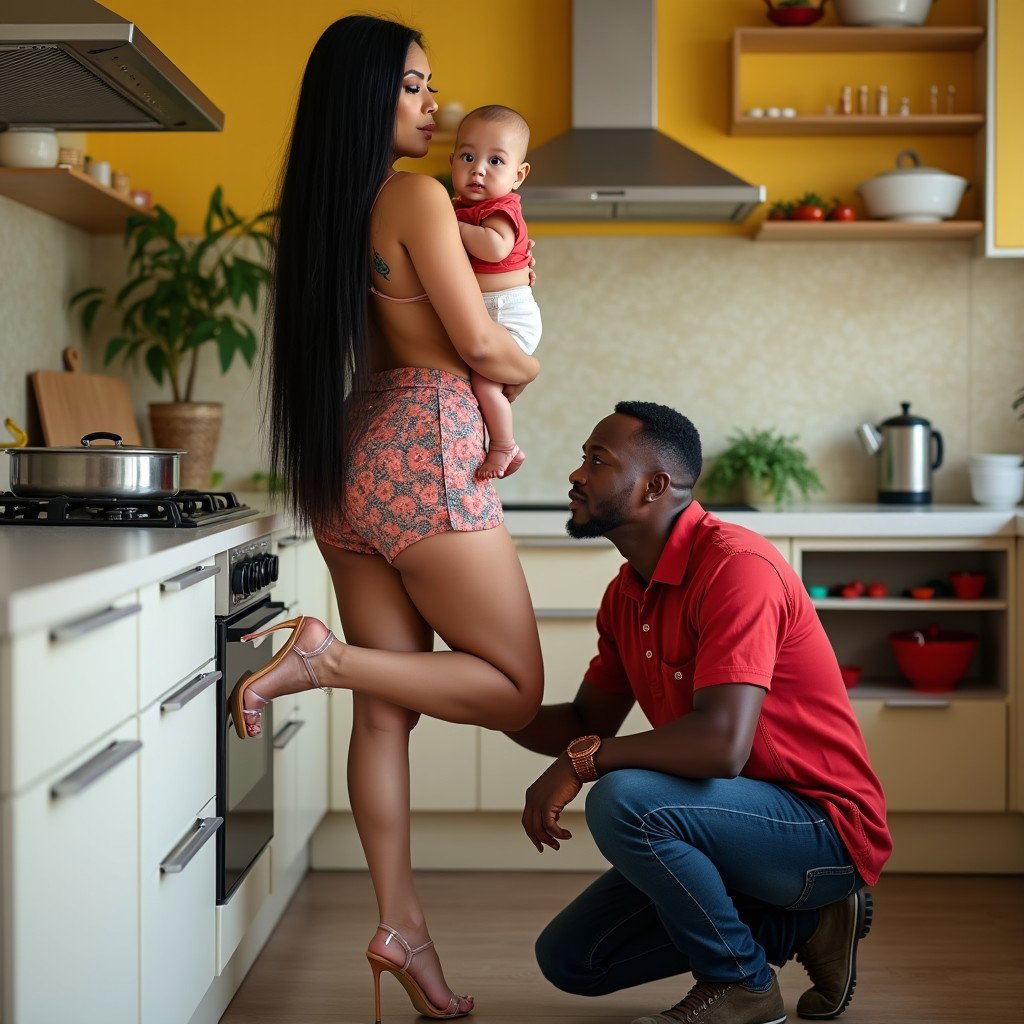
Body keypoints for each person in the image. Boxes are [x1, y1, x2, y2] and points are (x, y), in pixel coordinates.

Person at [231, 15, 545, 1021]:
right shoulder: (415, 196)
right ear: (370, 96)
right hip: (428, 447)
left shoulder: (326, 209)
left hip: (348, 454)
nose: (435, 105)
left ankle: (399, 926)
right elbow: (485, 349)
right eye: (415, 87)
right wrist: (529, 365)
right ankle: (322, 657)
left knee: (386, 711)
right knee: (511, 688)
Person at [506, 402, 892, 1024]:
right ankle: (807, 923)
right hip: (727, 821)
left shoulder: (737, 568)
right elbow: (587, 719)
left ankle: (739, 983)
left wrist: (586, 762)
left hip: (820, 829)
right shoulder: (626, 592)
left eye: (596, 460)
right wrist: (480, 698)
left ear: (656, 485)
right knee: (573, 960)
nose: (576, 475)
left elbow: (721, 746)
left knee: (623, 797)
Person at [449, 104, 541, 481]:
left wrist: (448, 226)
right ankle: (502, 442)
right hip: (490, 310)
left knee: (484, 383)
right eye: (468, 157)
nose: (479, 169)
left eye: (496, 161)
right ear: (452, 159)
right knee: (479, 382)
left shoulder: (500, 208)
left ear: (518, 175)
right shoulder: (459, 208)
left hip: (508, 312)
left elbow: (495, 248)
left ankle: (504, 443)